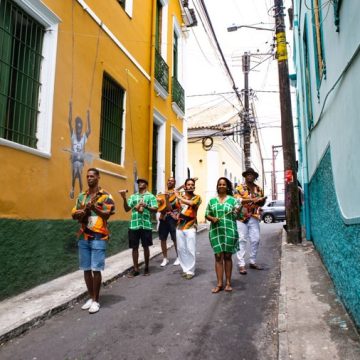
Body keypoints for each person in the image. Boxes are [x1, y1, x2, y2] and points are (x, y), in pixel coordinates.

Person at [71, 168, 115, 314]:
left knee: (96, 269)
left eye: (92, 176)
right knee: (86, 269)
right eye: (88, 176)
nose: (89, 178)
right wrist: (79, 213)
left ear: (98, 177)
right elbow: (77, 215)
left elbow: (107, 215)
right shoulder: (82, 196)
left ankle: (96, 300)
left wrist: (94, 207)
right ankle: (90, 297)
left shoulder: (106, 196)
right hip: (84, 236)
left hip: (99, 236)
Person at [205, 177, 240, 293]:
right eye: (219, 184)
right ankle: (219, 283)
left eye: (224, 184)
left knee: (227, 256)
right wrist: (212, 218)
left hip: (229, 230)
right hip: (215, 231)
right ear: (217, 186)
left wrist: (238, 211)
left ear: (227, 187)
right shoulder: (212, 201)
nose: (221, 186)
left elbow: (237, 216)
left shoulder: (233, 201)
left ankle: (228, 282)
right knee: (218, 256)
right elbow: (206, 214)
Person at [119, 178, 158, 277]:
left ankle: (146, 268)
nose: (140, 184)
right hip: (134, 225)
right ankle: (136, 269)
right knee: (134, 248)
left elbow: (155, 209)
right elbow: (127, 209)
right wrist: (124, 198)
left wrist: (146, 206)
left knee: (146, 247)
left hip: (146, 224)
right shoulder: (133, 196)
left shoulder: (151, 196)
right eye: (139, 182)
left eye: (142, 182)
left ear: (146, 184)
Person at [235, 167, 267, 275]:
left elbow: (261, 203)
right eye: (248, 174)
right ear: (245, 176)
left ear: (254, 177)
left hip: (254, 216)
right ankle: (241, 264)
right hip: (241, 217)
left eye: (252, 174)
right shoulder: (239, 188)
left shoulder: (258, 189)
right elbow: (238, 201)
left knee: (256, 239)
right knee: (242, 240)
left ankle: (252, 261)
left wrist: (262, 201)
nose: (250, 176)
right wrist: (252, 199)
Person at [175, 178, 202, 280]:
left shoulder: (197, 197)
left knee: (190, 248)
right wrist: (168, 198)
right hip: (179, 226)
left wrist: (178, 196)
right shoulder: (180, 197)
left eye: (192, 185)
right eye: (188, 185)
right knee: (181, 249)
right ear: (185, 186)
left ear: (194, 187)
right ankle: (185, 269)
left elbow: (192, 204)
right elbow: (170, 207)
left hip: (191, 226)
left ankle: (191, 270)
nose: (190, 186)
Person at [68, 102, 91, 199]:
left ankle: (79, 191)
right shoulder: (73, 136)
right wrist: (70, 108)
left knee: (79, 173)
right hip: (74, 160)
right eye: (77, 126)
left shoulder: (83, 138)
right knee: (75, 173)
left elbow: (89, 130)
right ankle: (73, 189)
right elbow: (69, 121)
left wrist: (88, 117)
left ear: (81, 128)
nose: (78, 128)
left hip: (80, 161)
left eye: (80, 127)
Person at [156, 177, 180, 267]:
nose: (170, 182)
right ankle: (165, 258)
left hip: (172, 218)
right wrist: (159, 201)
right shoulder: (162, 193)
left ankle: (178, 257)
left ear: (174, 183)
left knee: (174, 238)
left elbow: (171, 207)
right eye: (169, 180)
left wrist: (167, 199)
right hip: (163, 218)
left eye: (172, 181)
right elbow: (159, 206)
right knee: (163, 239)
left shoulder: (176, 193)